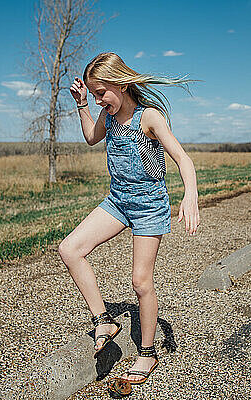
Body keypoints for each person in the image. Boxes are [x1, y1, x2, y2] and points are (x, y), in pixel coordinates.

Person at [58, 52, 200, 386]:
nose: (98, 100)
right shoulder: (107, 118)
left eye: (101, 93)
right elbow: (91, 138)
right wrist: (82, 106)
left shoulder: (148, 117)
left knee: (140, 282)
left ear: (120, 84)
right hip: (118, 199)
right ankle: (103, 320)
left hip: (149, 204)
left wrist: (190, 194)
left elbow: (182, 158)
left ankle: (147, 353)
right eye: (93, 94)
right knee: (69, 249)